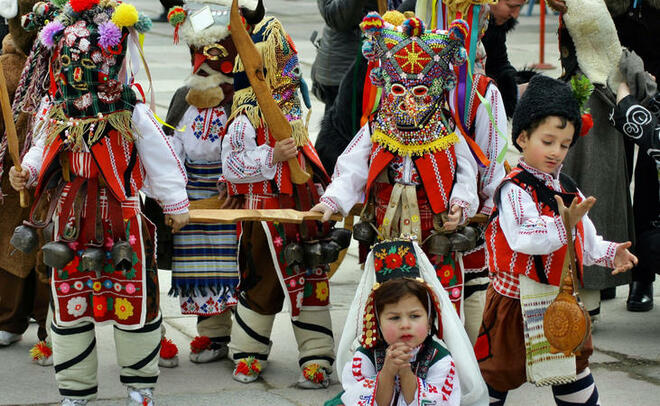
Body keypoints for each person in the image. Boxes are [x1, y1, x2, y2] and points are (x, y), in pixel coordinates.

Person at [9, 1, 190, 404]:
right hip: (70, 220)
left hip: (122, 218)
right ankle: (75, 390)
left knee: (135, 304)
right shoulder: (57, 113)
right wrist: (28, 171)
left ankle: (140, 386)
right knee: (70, 306)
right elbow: (40, 149)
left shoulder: (129, 111)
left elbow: (159, 155)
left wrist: (175, 203)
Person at [475, 75, 638, 405]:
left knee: (573, 374)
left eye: (564, 145)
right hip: (512, 306)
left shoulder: (568, 189)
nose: (556, 152)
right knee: (495, 379)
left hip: (558, 302)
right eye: (547, 141)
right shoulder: (513, 190)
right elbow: (525, 238)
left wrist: (611, 253)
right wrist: (563, 226)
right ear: (522, 137)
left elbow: (587, 242)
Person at [312, 11, 481, 319]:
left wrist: (461, 203)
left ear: (433, 89)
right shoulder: (378, 127)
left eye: (418, 92)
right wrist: (333, 199)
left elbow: (466, 173)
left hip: (434, 231)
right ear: (388, 86)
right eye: (399, 91)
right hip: (385, 230)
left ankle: (436, 361)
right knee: (385, 300)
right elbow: (351, 168)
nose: (408, 102)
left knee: (435, 302)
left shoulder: (446, 129)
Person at [221, 12, 341, 389]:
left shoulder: (293, 113)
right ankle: (247, 352)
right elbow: (233, 168)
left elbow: (310, 162)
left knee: (312, 282)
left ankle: (317, 354)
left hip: (302, 215)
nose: (289, 73)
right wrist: (270, 157)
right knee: (260, 284)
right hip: (263, 217)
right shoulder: (243, 120)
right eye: (280, 65)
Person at [148, 0, 265, 367]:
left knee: (238, 263)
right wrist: (173, 192)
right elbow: (170, 145)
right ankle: (212, 333)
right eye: (201, 53)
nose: (207, 63)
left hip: (235, 191)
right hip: (192, 193)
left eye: (216, 54)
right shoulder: (186, 98)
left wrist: (236, 179)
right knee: (200, 266)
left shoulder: (248, 98)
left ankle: (243, 336)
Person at [334, 239, 488, 405]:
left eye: (415, 316)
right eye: (394, 318)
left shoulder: (440, 360)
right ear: (378, 322)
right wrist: (387, 371)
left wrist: (405, 372)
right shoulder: (365, 356)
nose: (405, 325)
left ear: (429, 321)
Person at [0, 0, 51, 365]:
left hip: (56, 164)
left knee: (53, 242)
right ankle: (10, 316)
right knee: (13, 240)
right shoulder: (7, 64)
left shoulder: (70, 57)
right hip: (13, 168)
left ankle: (50, 322)